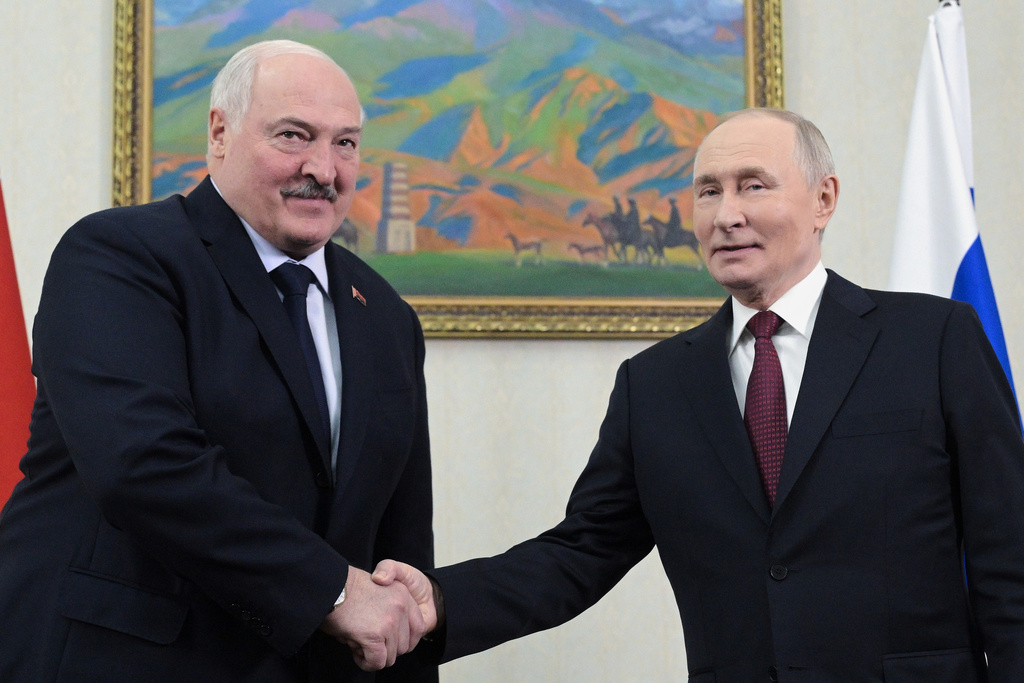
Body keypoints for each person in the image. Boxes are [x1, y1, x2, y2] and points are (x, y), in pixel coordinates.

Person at [378, 108, 1024, 682]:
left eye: (753, 185)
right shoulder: (654, 384)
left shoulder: (933, 339)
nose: (726, 215)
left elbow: (1010, 557)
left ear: (824, 199)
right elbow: (580, 553)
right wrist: (440, 601)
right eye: (708, 192)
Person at [0, 40, 436, 682]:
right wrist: (333, 592)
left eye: (345, 143)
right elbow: (143, 465)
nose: (323, 168)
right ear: (220, 133)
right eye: (293, 136)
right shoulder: (118, 256)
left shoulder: (387, 317)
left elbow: (399, 547)